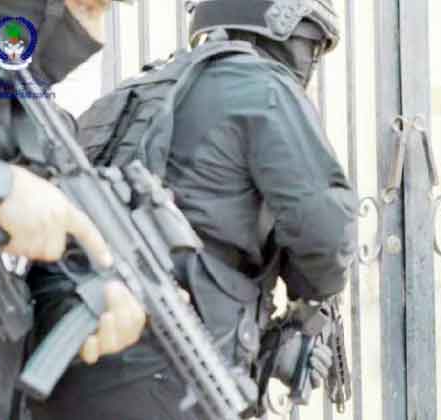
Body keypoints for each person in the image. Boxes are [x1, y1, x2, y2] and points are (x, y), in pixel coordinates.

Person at [28, 0, 357, 419]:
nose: (311, 61)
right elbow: (326, 232)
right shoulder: (264, 87)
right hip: (171, 361)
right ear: (281, 26)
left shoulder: (133, 92)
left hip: (73, 350)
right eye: (312, 44)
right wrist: (305, 306)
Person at [0, 1, 147, 419]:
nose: (92, 29)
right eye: (86, 5)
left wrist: (82, 300)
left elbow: (21, 278)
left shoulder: (38, 125)